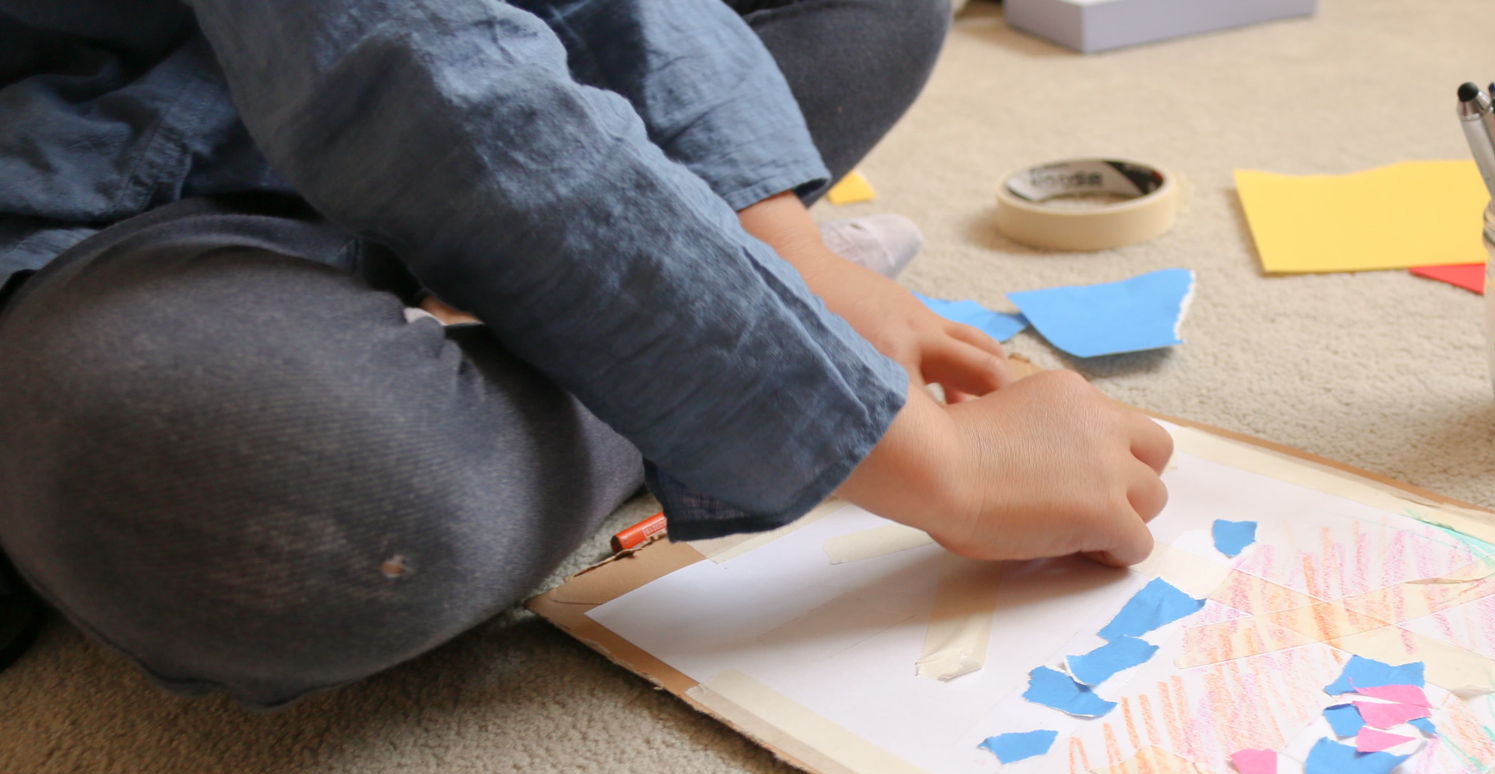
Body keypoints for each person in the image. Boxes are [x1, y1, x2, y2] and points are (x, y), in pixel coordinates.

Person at [0, 0, 1171, 706]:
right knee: (256, 499)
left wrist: (791, 252)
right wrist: (917, 452)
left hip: (453, 56)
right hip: (102, 172)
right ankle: (653, 312)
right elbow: (413, 66)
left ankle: (658, 284)